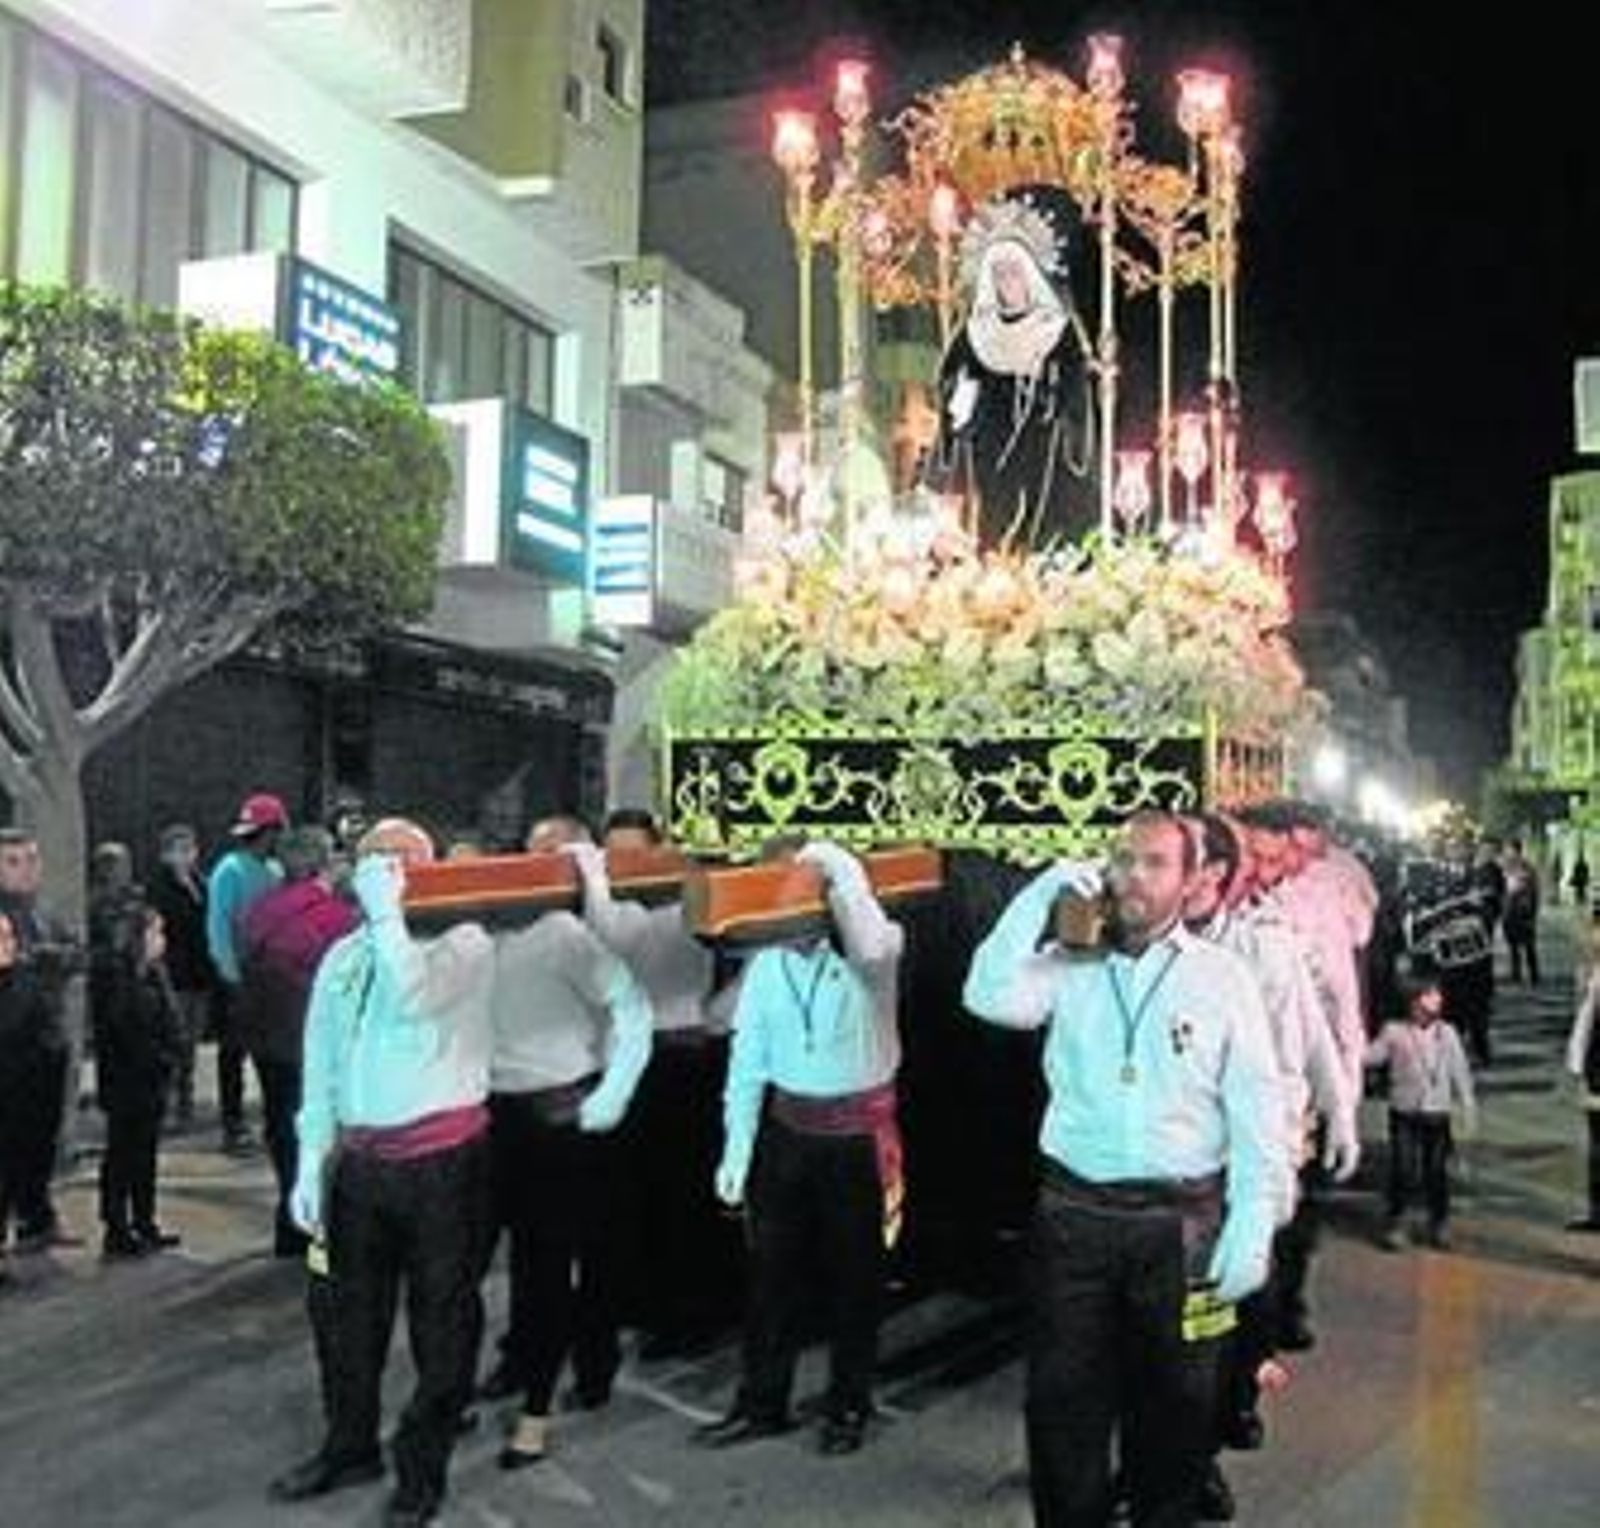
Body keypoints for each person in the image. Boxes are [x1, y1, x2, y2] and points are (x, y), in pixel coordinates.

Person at [964, 811, 1285, 1528]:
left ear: (1192, 880)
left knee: (1177, 1408)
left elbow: (1259, 1109)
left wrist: (1254, 1224)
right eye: (1122, 860)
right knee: (1062, 1404)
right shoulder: (1069, 963)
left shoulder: (1223, 979)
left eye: (1154, 863)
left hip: (1184, 1225)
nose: (1132, 876)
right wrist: (1037, 895)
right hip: (1075, 1217)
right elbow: (985, 994)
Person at [270, 818, 495, 1528]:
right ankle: (349, 1444)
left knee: (443, 1321)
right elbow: (322, 1065)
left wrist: (391, 916)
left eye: (402, 861)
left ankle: (420, 1470)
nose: (386, 873)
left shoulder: (466, 942)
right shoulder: (346, 955)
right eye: (373, 862)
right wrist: (309, 1164)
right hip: (360, 1166)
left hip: (444, 1166)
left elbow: (412, 998)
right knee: (342, 1317)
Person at [697, 839, 908, 1458]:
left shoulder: (877, 947)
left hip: (856, 1141)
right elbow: (746, 1063)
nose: (782, 900)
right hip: (789, 1136)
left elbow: (867, 940)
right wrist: (736, 1151)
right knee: (768, 1279)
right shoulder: (766, 968)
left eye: (792, 887)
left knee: (855, 1281)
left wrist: (830, 860)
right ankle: (761, 1403)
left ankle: (849, 1404)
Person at [483, 813, 654, 1471]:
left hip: (562, 1117)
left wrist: (609, 1093)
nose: (541, 864)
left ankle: (541, 1403)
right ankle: (530, 1361)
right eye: (534, 852)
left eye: (558, 855)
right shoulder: (487, 934)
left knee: (557, 1259)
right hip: (498, 1118)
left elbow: (631, 1010)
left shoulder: (571, 936)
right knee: (519, 1260)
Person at [571, 807, 731, 1360]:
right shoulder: (629, 906)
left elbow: (616, 940)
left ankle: (684, 1317)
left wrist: (592, 876)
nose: (624, 865)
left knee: (679, 1195)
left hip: (679, 1062)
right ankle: (632, 1304)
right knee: (625, 1196)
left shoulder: (685, 902)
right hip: (629, 1061)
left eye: (634, 853)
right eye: (613, 854)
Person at [929, 196, 1094, 548]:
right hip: (990, 435)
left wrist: (1063, 410)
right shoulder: (976, 330)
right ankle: (993, 570)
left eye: (1014, 272)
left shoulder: (1056, 328)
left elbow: (1075, 384)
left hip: (1041, 435)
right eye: (999, 274)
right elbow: (951, 376)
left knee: (1040, 516)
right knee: (993, 512)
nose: (1008, 282)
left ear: (1030, 274)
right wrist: (958, 400)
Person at [237, 826, 359, 1256]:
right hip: (316, 1043)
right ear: (326, 862)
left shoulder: (259, 910)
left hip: (266, 1038)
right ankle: (320, 1227)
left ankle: (290, 1222)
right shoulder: (337, 918)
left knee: (280, 1127)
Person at [0, 827, 85, 1254]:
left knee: (41, 1134)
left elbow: (75, 951)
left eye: (32, 859)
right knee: (8, 1140)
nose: (27, 870)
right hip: (8, 1045)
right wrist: (27, 966)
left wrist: (58, 958)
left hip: (47, 1039)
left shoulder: (44, 912)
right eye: (14, 862)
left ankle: (37, 1216)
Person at [93, 903, 184, 1258]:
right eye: (155, 932)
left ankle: (145, 1221)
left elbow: (169, 1020)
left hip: (153, 1078)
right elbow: (124, 1031)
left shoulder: (154, 973)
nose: (161, 940)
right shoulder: (117, 977)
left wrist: (171, 1054)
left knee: (145, 1154)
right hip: (128, 1080)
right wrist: (158, 1056)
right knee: (122, 1153)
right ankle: (117, 1226)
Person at [1366, 964, 1477, 1251]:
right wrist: (1348, 1047)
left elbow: (1460, 1072)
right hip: (1404, 1110)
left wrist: (1466, 1105)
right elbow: (1371, 1057)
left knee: (1436, 1171)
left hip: (1437, 1113)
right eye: (1431, 994)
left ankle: (1439, 1222)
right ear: (1414, 1000)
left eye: (1438, 993)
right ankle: (1397, 1221)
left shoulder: (1448, 1033)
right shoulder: (1394, 1032)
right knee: (1403, 1169)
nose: (1438, 998)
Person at [206, 792, 289, 1151]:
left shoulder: (276, 871)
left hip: (271, 975)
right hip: (238, 976)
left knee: (270, 1053)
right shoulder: (230, 869)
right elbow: (218, 925)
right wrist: (230, 974)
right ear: (268, 832)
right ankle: (233, 1123)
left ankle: (274, 1120)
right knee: (233, 1054)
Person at [146, 823, 216, 1127]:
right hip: (175, 973)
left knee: (190, 1042)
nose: (187, 855)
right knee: (174, 1040)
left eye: (190, 849)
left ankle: (185, 1102)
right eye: (179, 849)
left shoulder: (202, 884)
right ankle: (170, 1104)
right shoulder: (159, 888)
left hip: (199, 973)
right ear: (166, 855)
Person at [1564, 939, 1600, 1232]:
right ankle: (1596, 1212)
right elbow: (1584, 1020)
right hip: (1594, 1075)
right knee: (1596, 1147)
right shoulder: (1594, 974)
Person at [1502, 839, 1541, 986]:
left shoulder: (1528, 867)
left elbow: (1535, 891)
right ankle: (1516, 975)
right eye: (1507, 850)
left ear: (1517, 850)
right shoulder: (1505, 868)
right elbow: (1502, 891)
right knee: (1513, 946)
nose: (1508, 852)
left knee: (1529, 945)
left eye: (1510, 849)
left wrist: (1533, 913)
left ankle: (1534, 975)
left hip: (1524, 912)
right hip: (1509, 912)